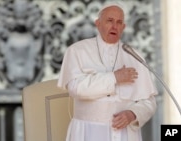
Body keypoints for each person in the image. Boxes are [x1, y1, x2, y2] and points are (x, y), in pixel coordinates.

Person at [57, 2, 157, 141]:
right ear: (98, 23)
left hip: (125, 134)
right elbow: (76, 88)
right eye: (109, 21)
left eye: (119, 22)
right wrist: (114, 78)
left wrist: (132, 114)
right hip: (88, 132)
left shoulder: (135, 56)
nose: (114, 26)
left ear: (123, 27)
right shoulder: (77, 51)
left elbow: (149, 101)